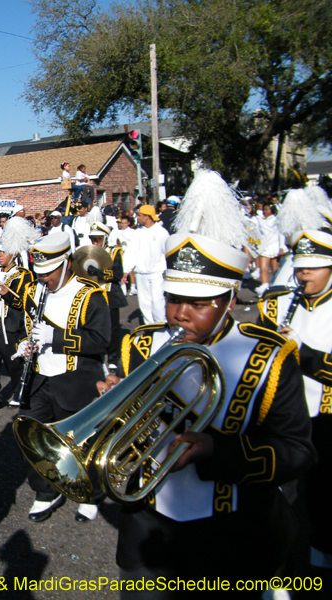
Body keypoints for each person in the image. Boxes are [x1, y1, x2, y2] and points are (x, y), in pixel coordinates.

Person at [102, 171, 314, 596]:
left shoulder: (269, 356)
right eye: (173, 298)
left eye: (198, 304)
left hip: (231, 537)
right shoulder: (140, 345)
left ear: (230, 300)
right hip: (148, 530)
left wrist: (219, 450)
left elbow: (297, 452)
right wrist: (114, 412)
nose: (180, 314)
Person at [258, 188, 332, 573]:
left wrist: (297, 350)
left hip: (326, 418)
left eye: (313, 268)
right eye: (300, 268)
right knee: (279, 489)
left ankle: (321, 555)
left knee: (322, 494)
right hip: (288, 413)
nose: (303, 276)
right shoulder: (282, 301)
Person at [19, 231, 111, 523]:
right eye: (40, 272)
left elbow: (100, 340)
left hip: (75, 381)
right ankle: (46, 491)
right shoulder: (34, 291)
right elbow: (30, 329)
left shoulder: (90, 294)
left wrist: (56, 337)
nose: (43, 278)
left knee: (82, 444)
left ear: (67, 263)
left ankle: (91, 493)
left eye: (49, 271)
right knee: (36, 441)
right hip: (39, 380)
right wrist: (26, 344)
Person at [0, 217, 35, 414]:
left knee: (14, 363)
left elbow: (21, 302)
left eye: (4, 252)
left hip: (9, 326)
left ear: (14, 253)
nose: (0, 255)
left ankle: (21, 392)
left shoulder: (23, 275)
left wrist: (8, 296)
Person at [88, 222, 127, 373]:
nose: (94, 242)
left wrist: (98, 273)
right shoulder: (88, 252)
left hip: (110, 294)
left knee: (113, 328)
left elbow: (117, 273)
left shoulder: (114, 251)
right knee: (94, 327)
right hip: (94, 295)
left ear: (104, 238)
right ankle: (97, 357)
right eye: (92, 239)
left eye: (97, 239)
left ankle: (112, 359)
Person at [124, 204, 169, 323]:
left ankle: (161, 325)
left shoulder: (162, 232)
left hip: (157, 273)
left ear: (147, 217)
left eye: (139, 215)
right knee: (144, 303)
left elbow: (167, 252)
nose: (137, 218)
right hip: (141, 273)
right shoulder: (138, 232)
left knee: (157, 300)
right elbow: (131, 252)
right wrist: (126, 270)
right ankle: (149, 327)